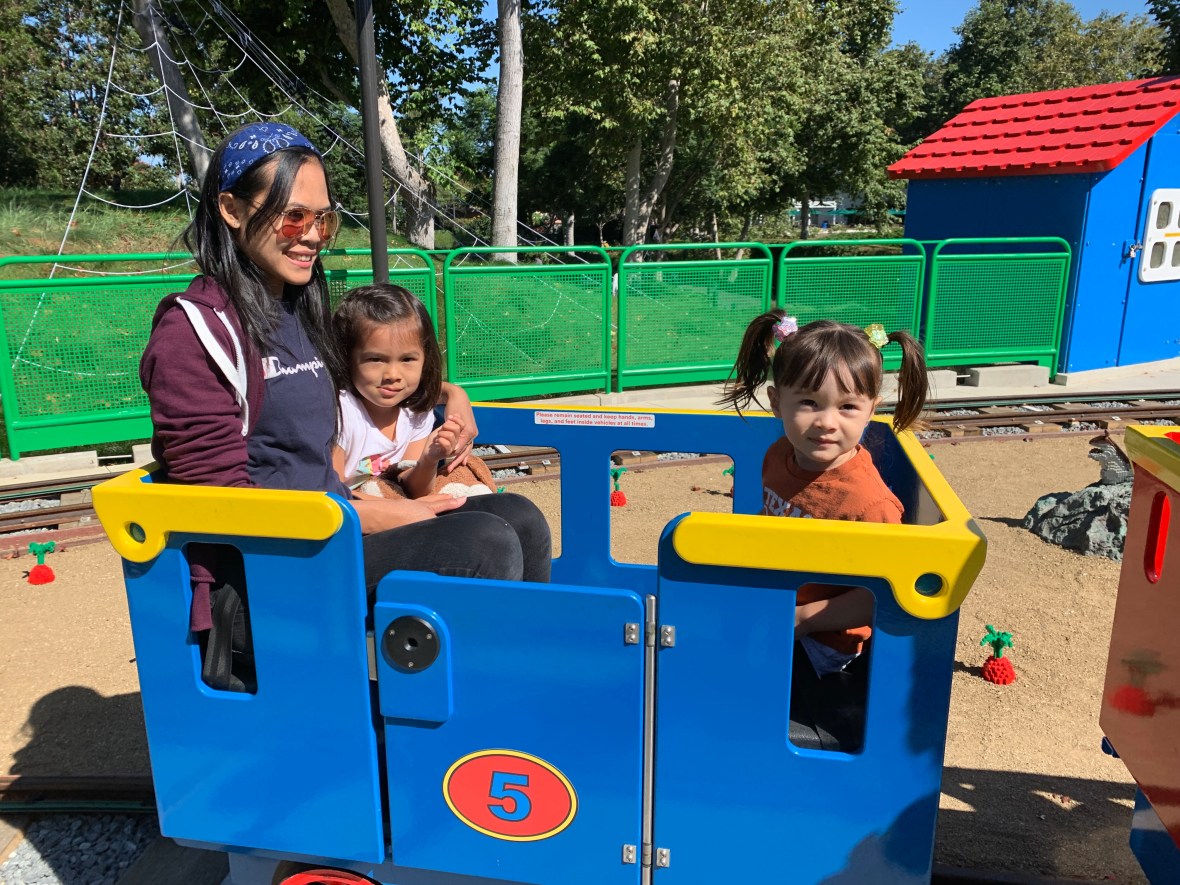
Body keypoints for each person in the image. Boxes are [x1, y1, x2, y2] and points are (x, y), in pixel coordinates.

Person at [140, 122, 550, 690]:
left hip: (331, 533)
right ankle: (477, 710)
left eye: (323, 220)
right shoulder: (194, 334)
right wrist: (372, 515)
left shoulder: (298, 309)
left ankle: (520, 680)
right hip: (268, 573)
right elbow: (223, 509)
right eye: (293, 217)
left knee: (520, 518)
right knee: (483, 542)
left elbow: (372, 382)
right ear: (231, 209)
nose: (311, 235)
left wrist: (452, 396)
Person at [719, 311, 929, 750]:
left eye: (847, 406)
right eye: (809, 403)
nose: (827, 422)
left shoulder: (867, 503)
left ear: (871, 409)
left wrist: (800, 621)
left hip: (828, 647)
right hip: (782, 607)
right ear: (777, 402)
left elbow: (883, 596)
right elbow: (772, 518)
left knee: (733, 695)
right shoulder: (779, 455)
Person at [331, 284, 495, 498]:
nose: (392, 374)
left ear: (425, 358)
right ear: (346, 358)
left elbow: (414, 489)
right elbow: (330, 491)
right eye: (376, 359)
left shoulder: (416, 412)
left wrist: (429, 459)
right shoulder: (341, 412)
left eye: (407, 359)